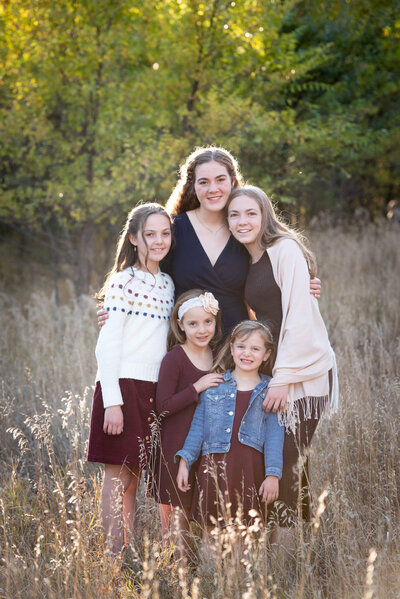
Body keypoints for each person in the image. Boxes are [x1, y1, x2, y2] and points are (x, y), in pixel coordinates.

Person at [97, 147, 321, 337]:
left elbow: (269, 274)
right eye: (204, 182)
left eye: (220, 180)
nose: (213, 189)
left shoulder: (244, 230)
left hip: (240, 346)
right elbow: (148, 274)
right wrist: (118, 307)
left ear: (232, 181)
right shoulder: (173, 229)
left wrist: (301, 286)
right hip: (189, 345)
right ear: (192, 186)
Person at [226, 185, 339, 548]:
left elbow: (300, 322)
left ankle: (284, 558)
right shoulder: (251, 258)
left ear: (265, 214)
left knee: (288, 460)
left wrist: (282, 380)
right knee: (279, 458)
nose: (242, 221)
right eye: (234, 215)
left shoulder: (284, 249)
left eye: (250, 213)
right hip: (277, 373)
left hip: (303, 375)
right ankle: (284, 545)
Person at [87, 203, 174, 555]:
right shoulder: (123, 282)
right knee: (117, 476)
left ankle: (131, 548)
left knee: (135, 478)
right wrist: (112, 402)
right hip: (122, 385)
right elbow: (107, 346)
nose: (158, 240)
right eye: (150, 234)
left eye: (165, 233)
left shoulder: (168, 284)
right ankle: (113, 556)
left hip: (154, 388)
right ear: (135, 237)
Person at [176, 320, 285, 529]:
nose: (247, 353)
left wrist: (272, 475)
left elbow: (274, 436)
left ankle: (241, 564)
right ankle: (210, 564)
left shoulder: (270, 390)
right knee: (212, 532)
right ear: (232, 348)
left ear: (267, 354)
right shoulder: (214, 385)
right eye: (241, 347)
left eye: (255, 349)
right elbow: (197, 429)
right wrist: (185, 462)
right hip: (213, 468)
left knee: (245, 534)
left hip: (249, 469)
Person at [151, 289, 224, 560]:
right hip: (176, 442)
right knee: (177, 510)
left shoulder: (219, 356)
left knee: (202, 506)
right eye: (193, 324)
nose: (201, 330)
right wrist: (197, 386)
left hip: (207, 446)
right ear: (181, 325)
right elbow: (163, 406)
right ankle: (177, 567)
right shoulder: (175, 358)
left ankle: (204, 566)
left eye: (207, 322)